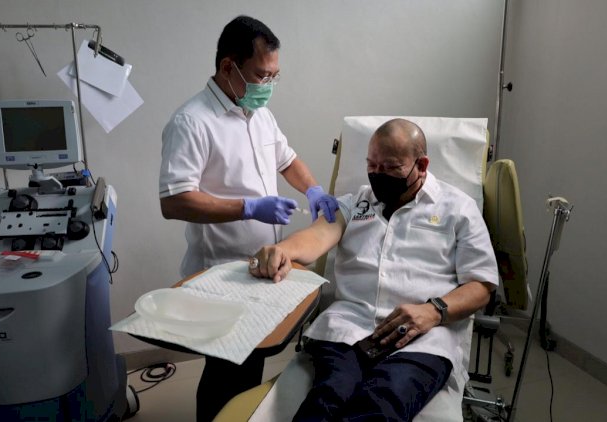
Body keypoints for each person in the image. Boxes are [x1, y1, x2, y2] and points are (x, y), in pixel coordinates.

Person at [250, 118, 498, 421]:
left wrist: (434, 311)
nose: (378, 175)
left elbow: (481, 286)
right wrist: (283, 251)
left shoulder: (458, 209)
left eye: (391, 167)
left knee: (382, 404)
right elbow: (316, 237)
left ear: (421, 165)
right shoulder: (357, 203)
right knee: (326, 399)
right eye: (372, 165)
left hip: (422, 338)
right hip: (348, 330)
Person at [158, 15, 338, 422]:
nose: (268, 85)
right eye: (261, 75)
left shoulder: (258, 114)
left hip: (260, 267)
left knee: (248, 364)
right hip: (220, 275)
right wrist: (248, 207)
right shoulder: (192, 121)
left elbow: (287, 160)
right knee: (226, 371)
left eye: (274, 76)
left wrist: (313, 189)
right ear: (228, 66)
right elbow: (174, 201)